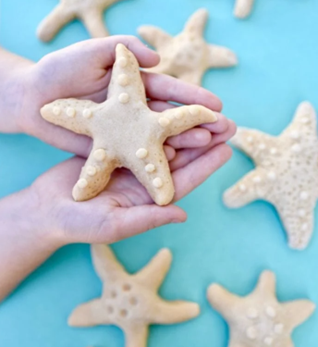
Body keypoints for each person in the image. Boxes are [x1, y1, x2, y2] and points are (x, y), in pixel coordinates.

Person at [0, 36, 236, 301]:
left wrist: (19, 92)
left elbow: (127, 72)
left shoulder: (136, 116)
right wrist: (41, 216)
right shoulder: (107, 120)